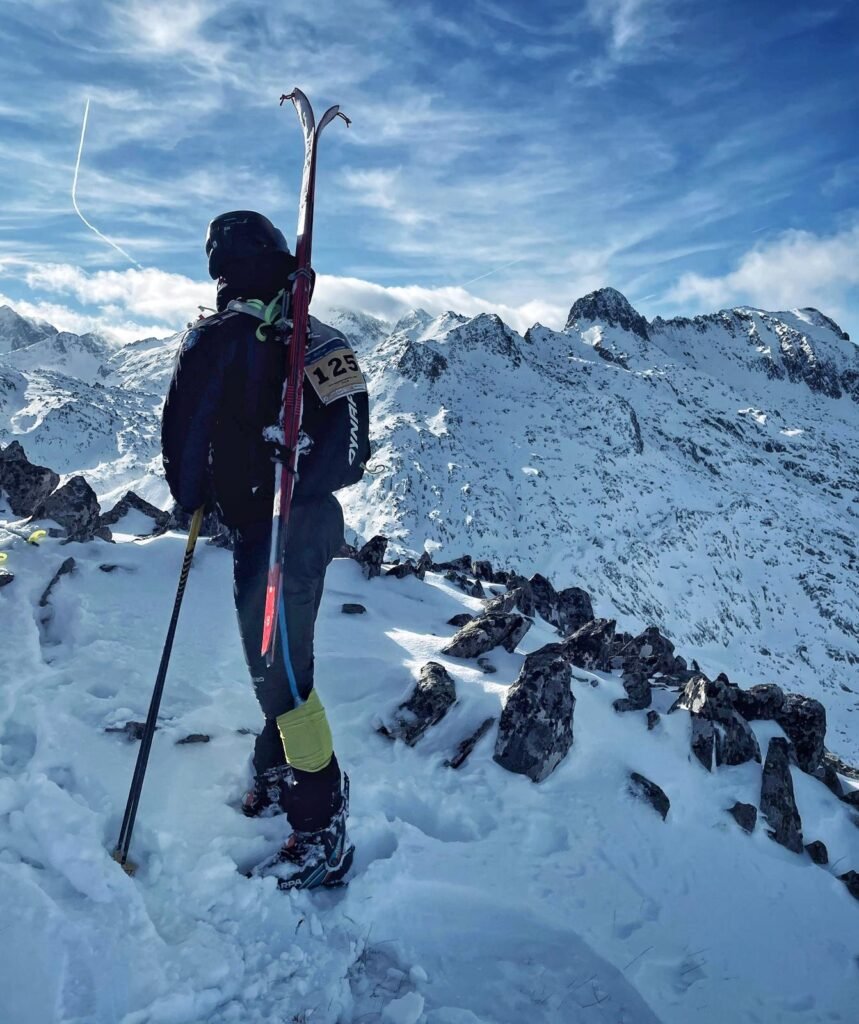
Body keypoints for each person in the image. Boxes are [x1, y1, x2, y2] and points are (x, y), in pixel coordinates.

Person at [161, 210, 370, 889]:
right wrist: (299, 472)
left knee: (281, 675)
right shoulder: (319, 337)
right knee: (279, 660)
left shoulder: (216, 337)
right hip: (309, 524)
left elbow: (184, 441)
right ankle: (278, 767)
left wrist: (196, 496)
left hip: (269, 527)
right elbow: (355, 448)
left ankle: (321, 824)